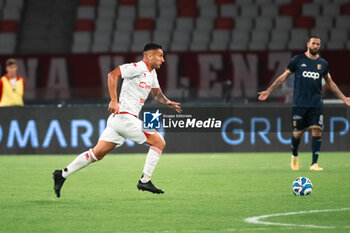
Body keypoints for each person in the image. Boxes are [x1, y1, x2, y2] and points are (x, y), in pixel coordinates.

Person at [53, 43, 182, 197]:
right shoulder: (137, 67)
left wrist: (167, 102)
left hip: (119, 121)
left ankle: (62, 174)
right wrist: (114, 100)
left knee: (97, 154)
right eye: (160, 55)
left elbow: (156, 94)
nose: (163, 59)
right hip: (124, 117)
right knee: (159, 142)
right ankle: (145, 180)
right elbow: (112, 75)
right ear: (149, 56)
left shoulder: (152, 73)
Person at [258, 36, 350, 171]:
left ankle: (314, 163)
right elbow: (283, 77)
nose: (316, 46)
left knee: (317, 129)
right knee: (297, 134)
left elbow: (330, 83)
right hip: (300, 103)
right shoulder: (297, 60)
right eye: (314, 43)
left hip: (316, 103)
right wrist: (268, 91)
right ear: (308, 44)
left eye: (318, 44)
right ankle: (294, 155)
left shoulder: (323, 64)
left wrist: (344, 98)